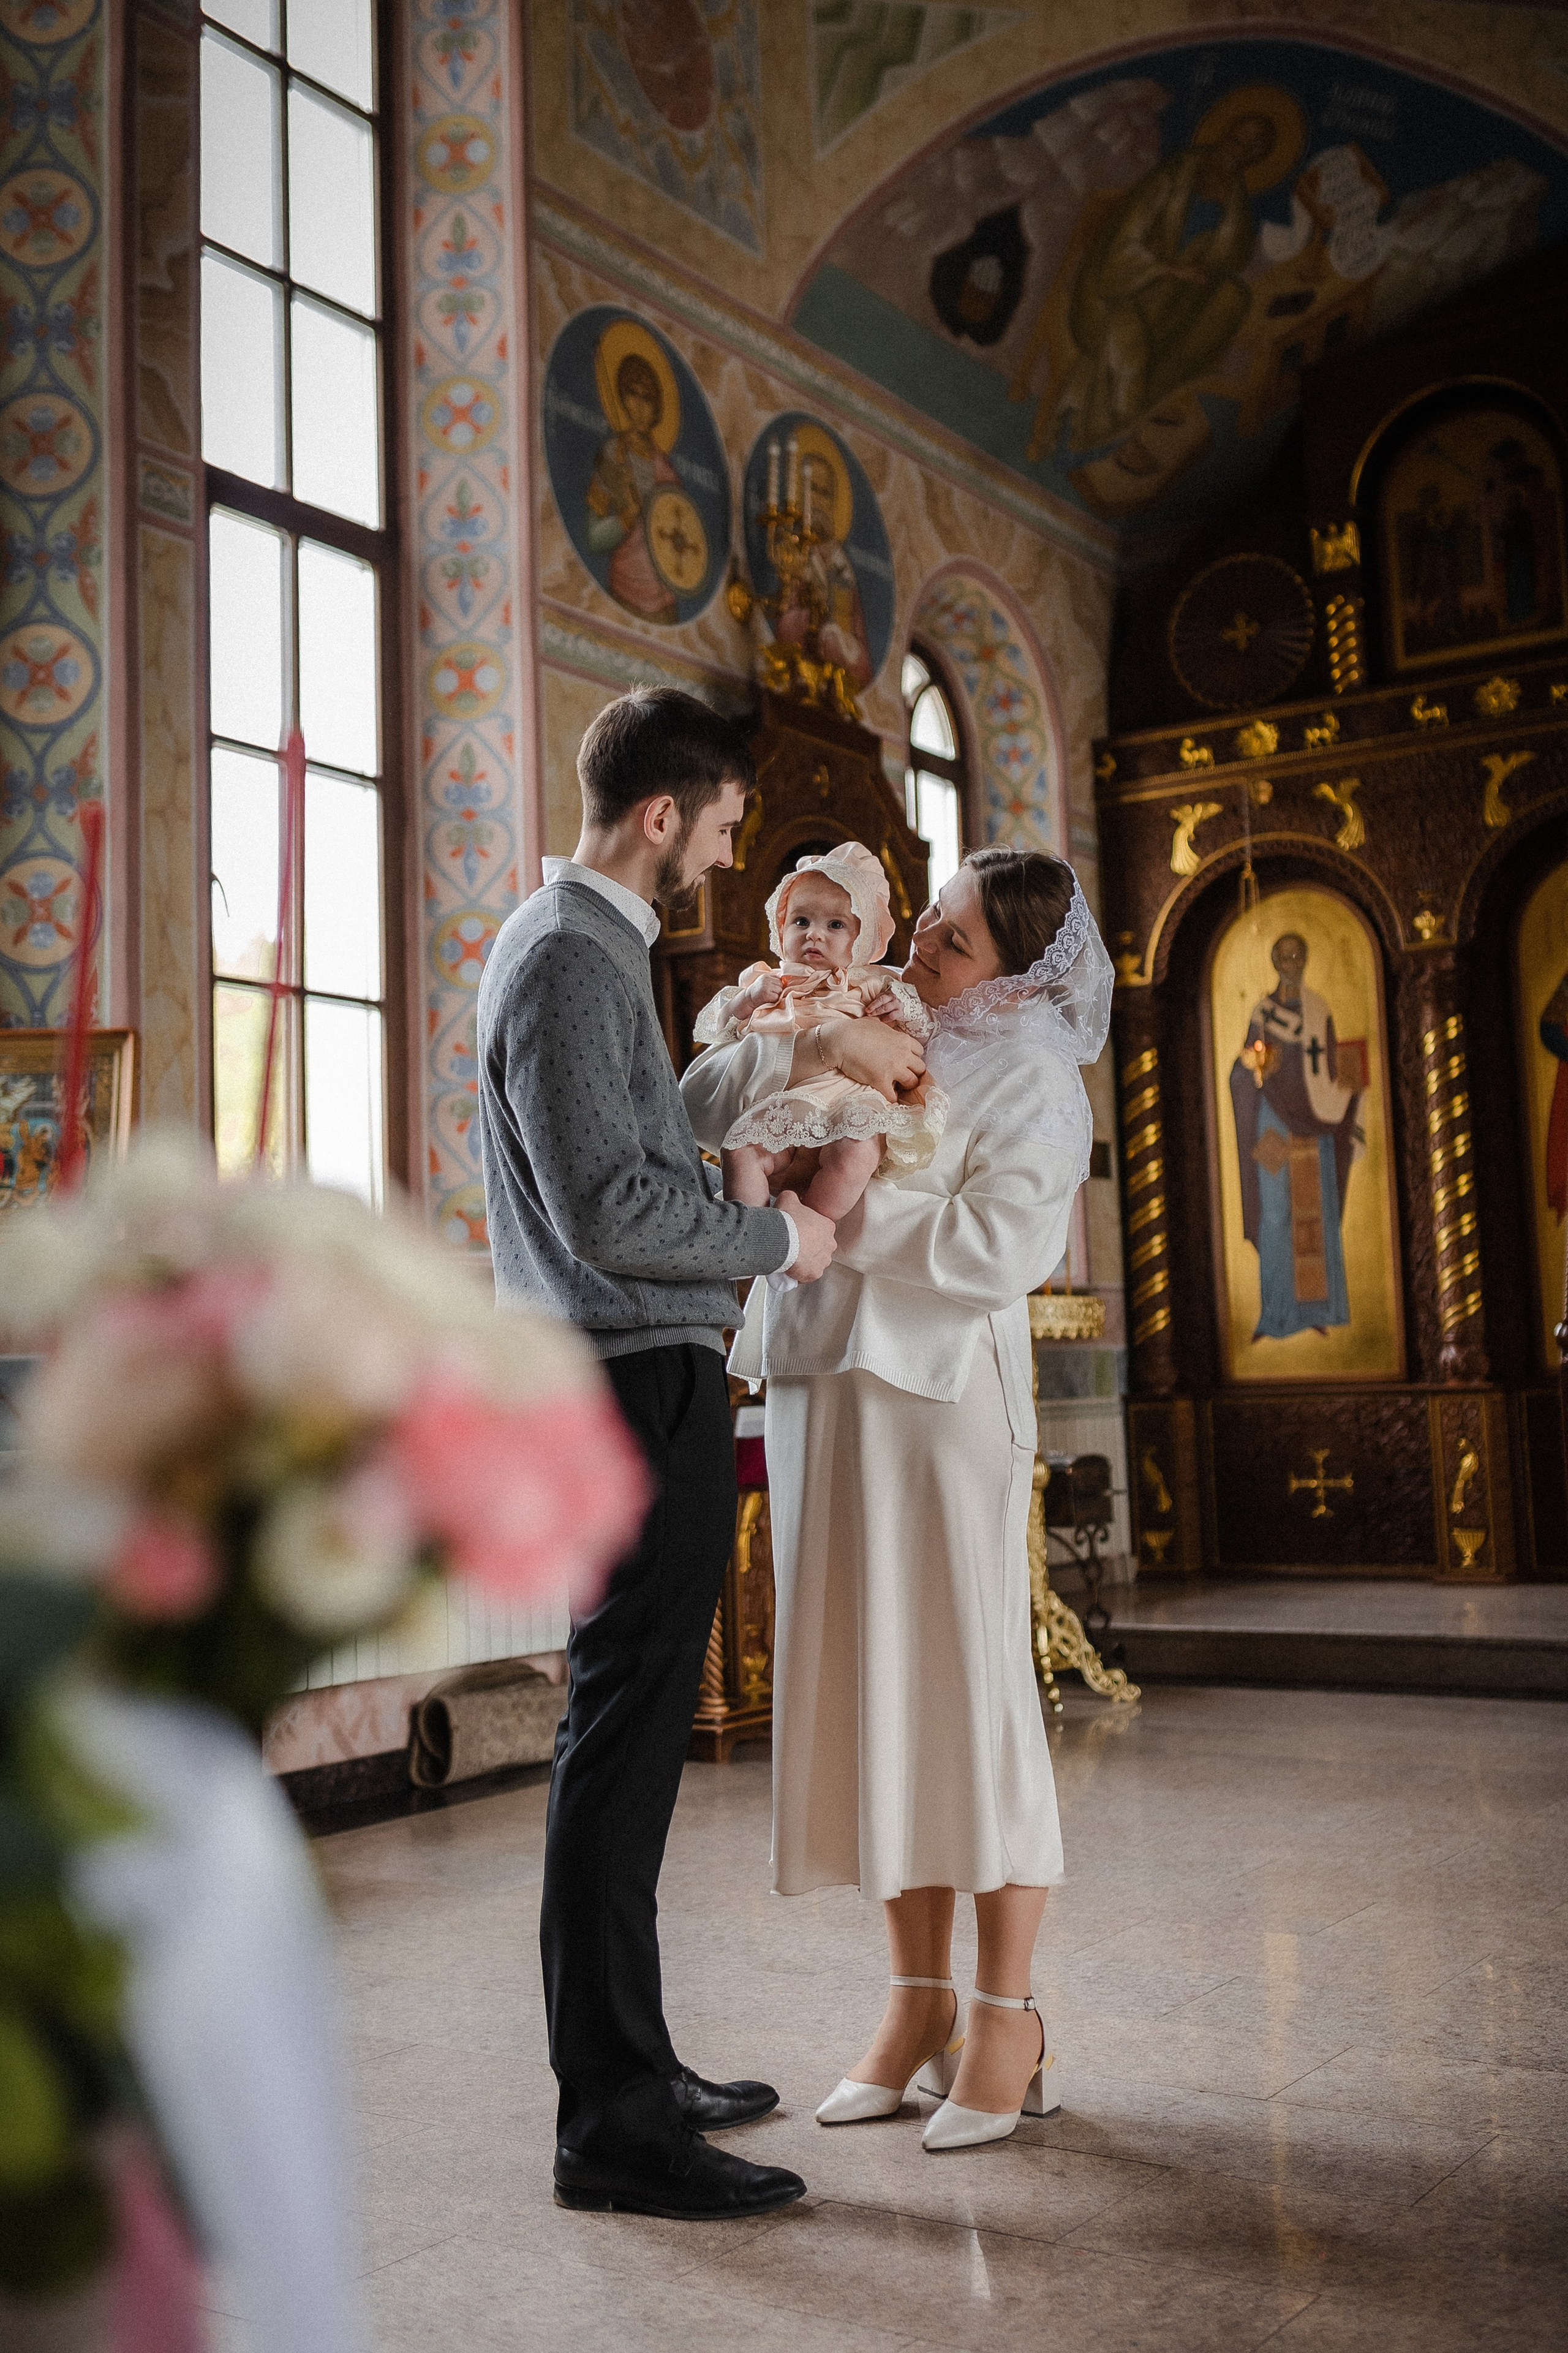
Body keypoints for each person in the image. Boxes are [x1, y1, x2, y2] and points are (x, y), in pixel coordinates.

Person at [477, 687, 854, 2222]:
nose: (721, 845)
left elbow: (625, 1177)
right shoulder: (569, 955)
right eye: (717, 820)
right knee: (621, 1746)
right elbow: (608, 1215)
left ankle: (635, 2063)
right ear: (659, 816)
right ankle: (613, 2119)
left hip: (636, 1373)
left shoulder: (581, 945)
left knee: (622, 1746)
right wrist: (782, 1233)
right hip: (626, 1384)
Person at [682, 845, 1112, 2153]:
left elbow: (1001, 1249)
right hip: (824, 1390)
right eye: (925, 922)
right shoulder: (873, 1022)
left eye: (955, 940)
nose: (921, 945)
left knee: (964, 1697)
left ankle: (1005, 2014)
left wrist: (836, 1225)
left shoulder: (1036, 1074)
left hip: (936, 1404)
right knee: (876, 1696)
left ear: (1024, 972)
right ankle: (912, 2001)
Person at [693, 841, 946, 1220]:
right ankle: (750, 1235)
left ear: (864, 939)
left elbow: (923, 1029)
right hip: (788, 1101)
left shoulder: (873, 982)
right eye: (801, 921)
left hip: (851, 1098)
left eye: (835, 925)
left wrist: (901, 1008)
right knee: (740, 1148)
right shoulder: (767, 980)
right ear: (781, 926)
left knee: (856, 1153)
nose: (814, 935)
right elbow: (720, 1030)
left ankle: (814, 1224)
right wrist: (748, 1000)